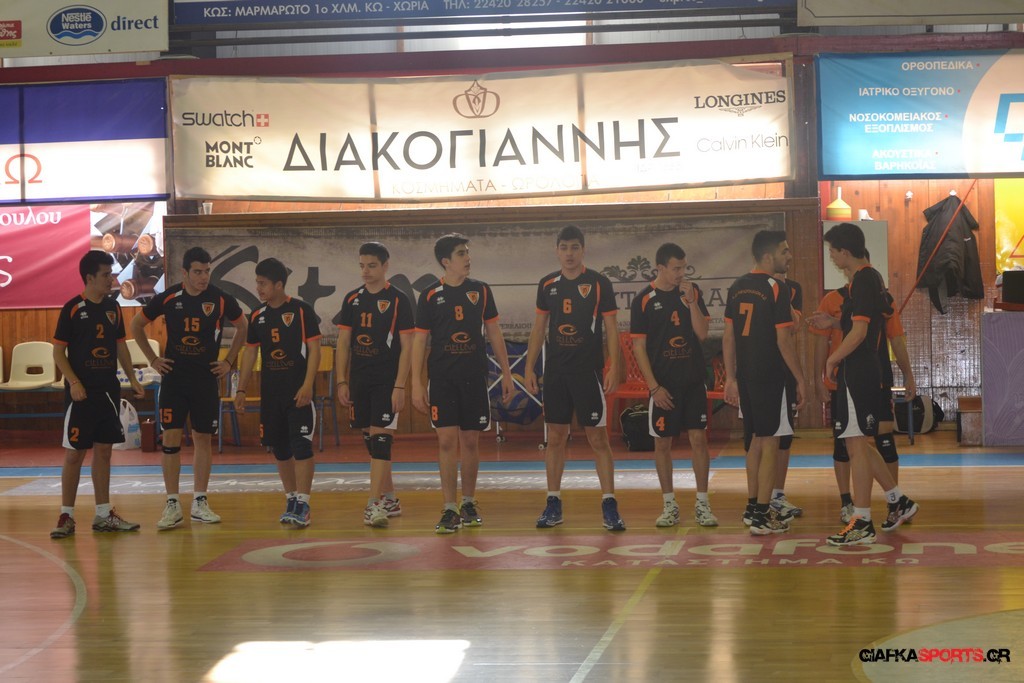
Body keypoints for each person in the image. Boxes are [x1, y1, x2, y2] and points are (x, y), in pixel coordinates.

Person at [814, 227, 918, 545]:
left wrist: (832, 360)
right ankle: (897, 499)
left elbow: (860, 333)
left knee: (856, 445)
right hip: (862, 371)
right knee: (856, 443)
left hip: (858, 373)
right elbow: (863, 324)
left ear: (845, 252)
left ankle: (861, 521)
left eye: (833, 250)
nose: (831, 256)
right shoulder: (867, 280)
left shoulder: (863, 279)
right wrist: (835, 323)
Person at [131, 246, 247, 530]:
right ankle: (172, 503)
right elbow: (136, 325)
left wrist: (229, 361)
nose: (203, 277)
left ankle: (199, 502)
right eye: (198, 272)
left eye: (207, 271)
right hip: (174, 379)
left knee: (202, 438)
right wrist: (153, 359)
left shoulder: (220, 299)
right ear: (184, 272)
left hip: (205, 380)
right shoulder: (169, 297)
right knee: (170, 438)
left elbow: (243, 326)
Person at [411, 234, 514, 534]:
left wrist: (507, 373)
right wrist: (416, 383)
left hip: (474, 377)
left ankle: (468, 502)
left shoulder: (481, 290)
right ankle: (449, 507)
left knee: (470, 441)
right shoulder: (430, 295)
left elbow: (494, 332)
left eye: (467, 252)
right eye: (461, 253)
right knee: (446, 441)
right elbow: (419, 341)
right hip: (442, 379)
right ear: (446, 261)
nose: (467, 258)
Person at [524, 225, 626, 531]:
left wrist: (614, 366)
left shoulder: (598, 283)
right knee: (555, 437)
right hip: (556, 372)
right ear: (557, 251)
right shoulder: (547, 284)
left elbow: (611, 329)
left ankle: (609, 505)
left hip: (588, 372)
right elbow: (539, 329)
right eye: (564, 247)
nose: (569, 254)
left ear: (583, 250)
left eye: (574, 247)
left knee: (598, 438)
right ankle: (553, 503)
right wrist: (529, 368)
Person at [50, 250, 145, 539]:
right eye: (106, 275)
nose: (111, 279)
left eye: (111, 274)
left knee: (104, 452)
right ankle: (66, 515)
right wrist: (74, 382)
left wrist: (132, 379)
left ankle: (103, 515)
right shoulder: (72, 309)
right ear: (89, 277)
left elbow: (120, 345)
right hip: (81, 393)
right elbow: (58, 352)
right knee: (75, 454)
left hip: (108, 391)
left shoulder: (113, 308)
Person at [629, 242, 718, 528]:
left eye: (684, 267)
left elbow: (702, 333)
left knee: (698, 439)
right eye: (676, 268)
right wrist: (654, 387)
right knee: (662, 443)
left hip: (692, 380)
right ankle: (669, 504)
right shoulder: (643, 300)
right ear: (660, 268)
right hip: (663, 385)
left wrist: (691, 302)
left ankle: (702, 503)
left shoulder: (693, 292)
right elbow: (638, 347)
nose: (681, 273)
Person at [723, 230, 806, 536]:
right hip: (771, 376)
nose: (789, 256)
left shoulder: (737, 286)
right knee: (770, 442)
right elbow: (784, 340)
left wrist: (730, 377)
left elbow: (729, 337)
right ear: (768, 256)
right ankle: (761, 515)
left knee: (756, 440)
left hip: (746, 375)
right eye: (785, 251)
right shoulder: (776, 288)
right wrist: (800, 379)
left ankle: (751, 508)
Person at [334, 242, 415, 528]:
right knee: (372, 441)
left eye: (371, 265)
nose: (365, 271)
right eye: (362, 266)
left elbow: (407, 346)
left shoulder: (398, 299)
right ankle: (390, 498)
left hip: (386, 380)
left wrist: (400, 385)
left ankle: (373, 504)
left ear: (385, 266)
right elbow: (344, 342)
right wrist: (341, 380)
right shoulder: (352, 299)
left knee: (382, 440)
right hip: (359, 379)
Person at [236, 258, 321, 527]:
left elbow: (315, 350)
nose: (258, 288)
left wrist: (307, 385)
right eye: (257, 282)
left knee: (301, 446)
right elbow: (250, 354)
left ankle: (304, 504)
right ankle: (291, 498)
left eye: (263, 283)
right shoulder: (257, 316)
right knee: (280, 449)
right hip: (271, 395)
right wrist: (241, 388)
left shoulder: (302, 311)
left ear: (279, 285)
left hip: (298, 393)